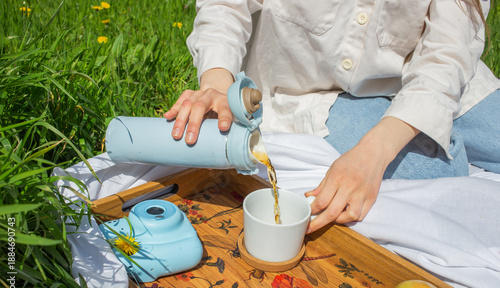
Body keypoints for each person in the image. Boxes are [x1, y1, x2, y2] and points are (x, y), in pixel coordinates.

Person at [164, 0, 500, 233]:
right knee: (442, 171)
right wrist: (218, 82)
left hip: (414, 74)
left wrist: (373, 153)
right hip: (310, 89)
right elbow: (225, 6)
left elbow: (446, 55)